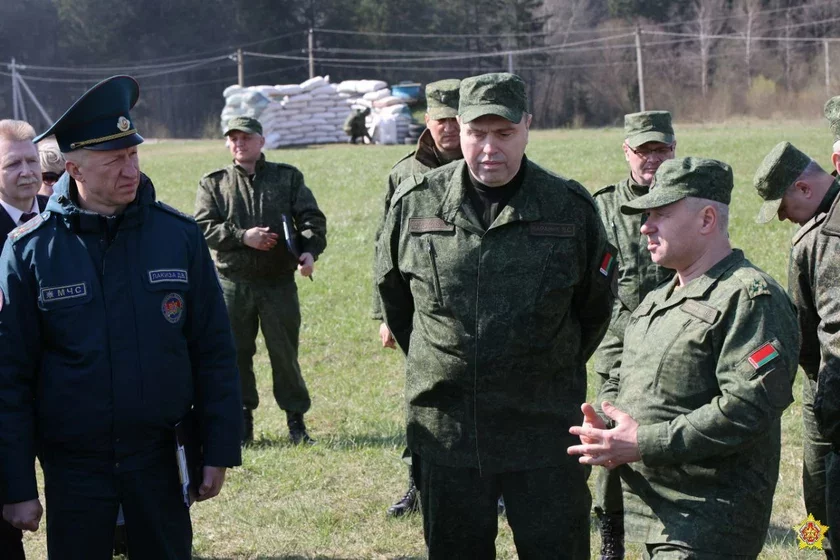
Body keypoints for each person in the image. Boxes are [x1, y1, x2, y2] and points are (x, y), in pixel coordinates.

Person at [0, 75, 243, 560]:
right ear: (73, 168)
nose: (130, 170)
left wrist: (219, 448)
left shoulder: (178, 236)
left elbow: (214, 349)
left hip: (159, 459)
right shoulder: (29, 251)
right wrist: (17, 484)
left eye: (133, 155)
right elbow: (9, 378)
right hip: (75, 468)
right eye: (114, 161)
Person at [377, 72, 616, 558]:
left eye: (504, 133)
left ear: (528, 126)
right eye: (476, 133)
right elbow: (397, 301)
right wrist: (446, 361)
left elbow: (594, 308)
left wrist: (536, 362)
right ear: (457, 128)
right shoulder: (416, 203)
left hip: (544, 429)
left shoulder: (568, 208)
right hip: (449, 431)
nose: (490, 148)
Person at [568, 157, 800, 559]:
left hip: (710, 520)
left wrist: (642, 442)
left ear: (707, 219)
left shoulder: (748, 298)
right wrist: (605, 424)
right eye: (646, 215)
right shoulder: (657, 301)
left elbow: (747, 408)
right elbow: (622, 377)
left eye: (661, 213)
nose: (645, 226)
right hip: (659, 515)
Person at [195, 116, 327, 446]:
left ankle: (296, 423)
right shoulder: (214, 183)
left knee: (285, 355)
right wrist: (243, 236)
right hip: (233, 284)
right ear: (227, 143)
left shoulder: (288, 178)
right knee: (235, 356)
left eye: (246, 138)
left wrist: (309, 252)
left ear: (261, 142)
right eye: (234, 138)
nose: (240, 143)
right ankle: (243, 426)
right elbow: (202, 226)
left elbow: (312, 220)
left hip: (278, 282)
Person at [373, 78, 463, 518]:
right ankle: (418, 482)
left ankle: (493, 485)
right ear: (426, 121)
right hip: (419, 309)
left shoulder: (490, 166)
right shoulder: (404, 173)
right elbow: (384, 249)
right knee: (421, 401)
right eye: (440, 119)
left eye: (456, 119)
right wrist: (385, 315)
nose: (449, 128)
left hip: (472, 306)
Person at [590, 111, 677, 559]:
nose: (653, 160)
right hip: (620, 344)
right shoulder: (603, 207)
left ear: (674, 151)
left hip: (679, 339)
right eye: (644, 151)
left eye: (661, 150)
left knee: (667, 430)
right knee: (609, 434)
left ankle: (668, 525)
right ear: (627, 152)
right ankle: (612, 534)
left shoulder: (689, 199)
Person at [753, 140, 840, 554]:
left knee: (826, 490)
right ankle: (813, 546)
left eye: (784, 206)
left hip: (830, 389)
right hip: (820, 384)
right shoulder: (818, 228)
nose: (784, 218)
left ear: (805, 189)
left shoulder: (824, 237)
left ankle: (825, 549)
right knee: (815, 493)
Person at [0, 118, 50, 560]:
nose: (27, 172)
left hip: (59, 386)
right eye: (13, 164)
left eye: (32, 161)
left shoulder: (62, 220)